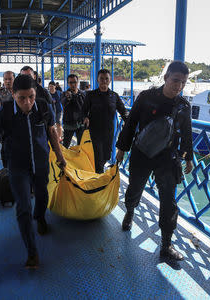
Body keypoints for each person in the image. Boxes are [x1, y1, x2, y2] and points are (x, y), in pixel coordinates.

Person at [0, 75, 66, 268]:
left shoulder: (43, 107)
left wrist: (60, 156)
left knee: (42, 196)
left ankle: (40, 217)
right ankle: (32, 252)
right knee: (23, 207)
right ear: (13, 95)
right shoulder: (5, 113)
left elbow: (51, 132)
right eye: (22, 98)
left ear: (35, 93)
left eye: (31, 97)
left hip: (41, 164)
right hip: (17, 167)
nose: (27, 102)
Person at [116, 60, 194, 261]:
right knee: (134, 189)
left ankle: (166, 244)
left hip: (167, 157)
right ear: (166, 77)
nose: (179, 86)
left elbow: (187, 134)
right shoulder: (146, 97)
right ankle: (130, 210)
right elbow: (131, 123)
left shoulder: (184, 107)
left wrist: (189, 158)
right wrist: (122, 149)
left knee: (168, 201)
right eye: (176, 80)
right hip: (142, 153)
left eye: (183, 82)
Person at [83, 69, 128, 173]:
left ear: (110, 80)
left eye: (106, 79)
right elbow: (84, 111)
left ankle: (98, 174)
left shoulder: (114, 96)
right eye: (101, 79)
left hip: (109, 133)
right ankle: (99, 180)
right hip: (94, 132)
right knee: (98, 157)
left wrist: (129, 121)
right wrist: (85, 117)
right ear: (97, 80)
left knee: (106, 156)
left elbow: (123, 110)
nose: (104, 81)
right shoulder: (91, 95)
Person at [61, 74, 86, 148]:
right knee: (66, 145)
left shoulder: (82, 94)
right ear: (68, 83)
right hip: (69, 124)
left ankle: (79, 159)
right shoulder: (64, 94)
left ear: (77, 82)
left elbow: (84, 107)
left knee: (81, 145)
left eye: (74, 82)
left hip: (80, 124)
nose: (73, 85)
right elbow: (63, 103)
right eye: (71, 83)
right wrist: (68, 98)